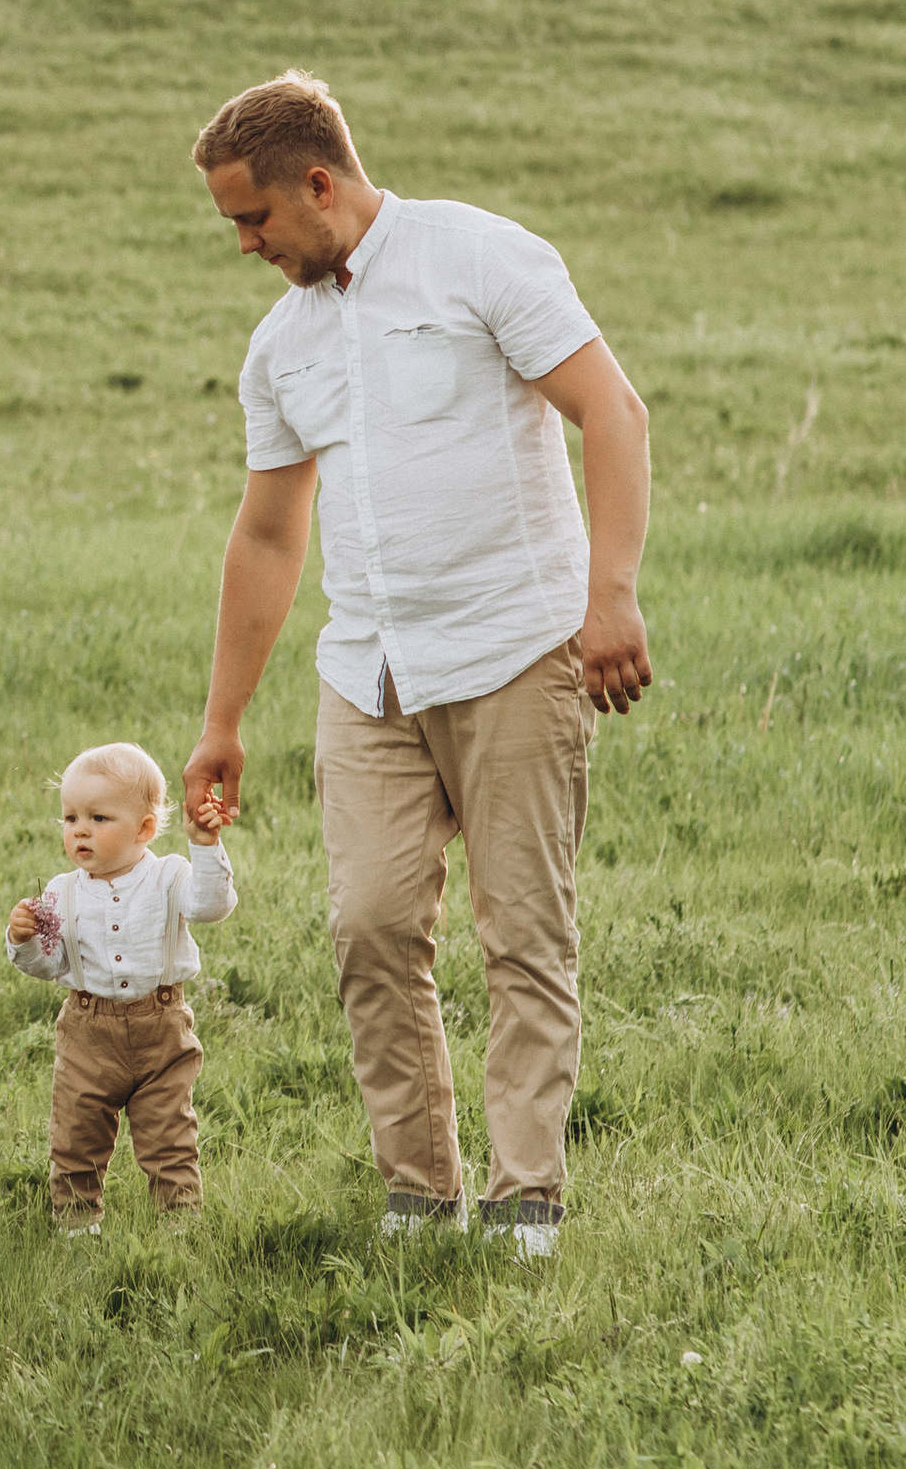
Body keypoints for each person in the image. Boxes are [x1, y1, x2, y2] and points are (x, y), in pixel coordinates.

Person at [180, 73, 652, 1256]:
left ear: (319, 184)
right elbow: (271, 531)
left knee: (522, 932)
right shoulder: (282, 346)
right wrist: (222, 720)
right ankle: (417, 1190)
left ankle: (524, 1197)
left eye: (254, 219)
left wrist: (609, 600)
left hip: (513, 652)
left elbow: (611, 409)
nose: (244, 244)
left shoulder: (479, 260)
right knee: (371, 928)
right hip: (369, 675)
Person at [5, 741, 237, 1231]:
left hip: (162, 1030)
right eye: (70, 819)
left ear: (145, 829)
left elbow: (210, 906)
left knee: (170, 1137)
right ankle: (76, 1227)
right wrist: (23, 940)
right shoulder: (61, 893)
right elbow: (50, 964)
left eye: (99, 818)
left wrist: (206, 846)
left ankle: (180, 1227)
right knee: (75, 1135)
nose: (80, 830)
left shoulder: (169, 877)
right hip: (89, 1031)